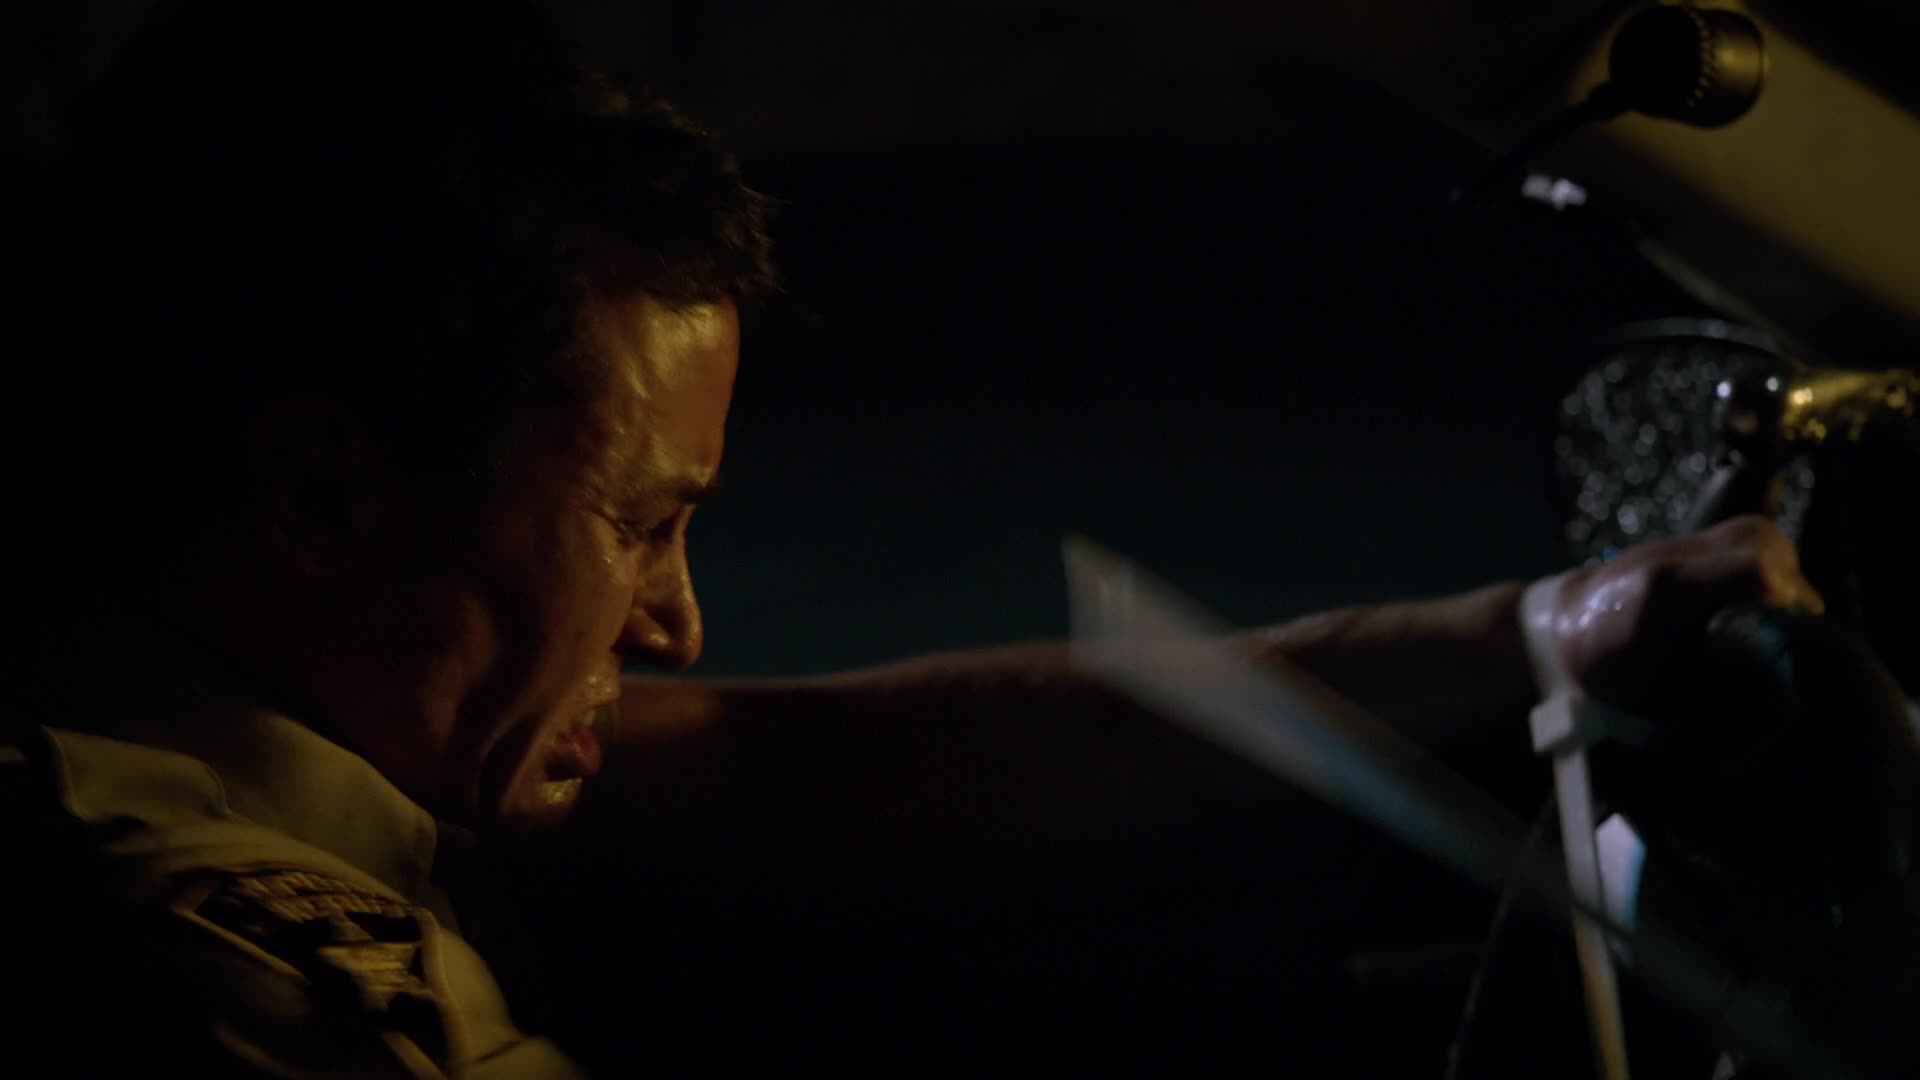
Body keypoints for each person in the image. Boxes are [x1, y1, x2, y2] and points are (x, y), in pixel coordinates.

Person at [0, 1, 1873, 1076]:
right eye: (640, 527)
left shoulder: (214, 700)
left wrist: (1535, 631)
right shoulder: (257, 979)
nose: (675, 622)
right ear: (327, 501)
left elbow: (841, 768)